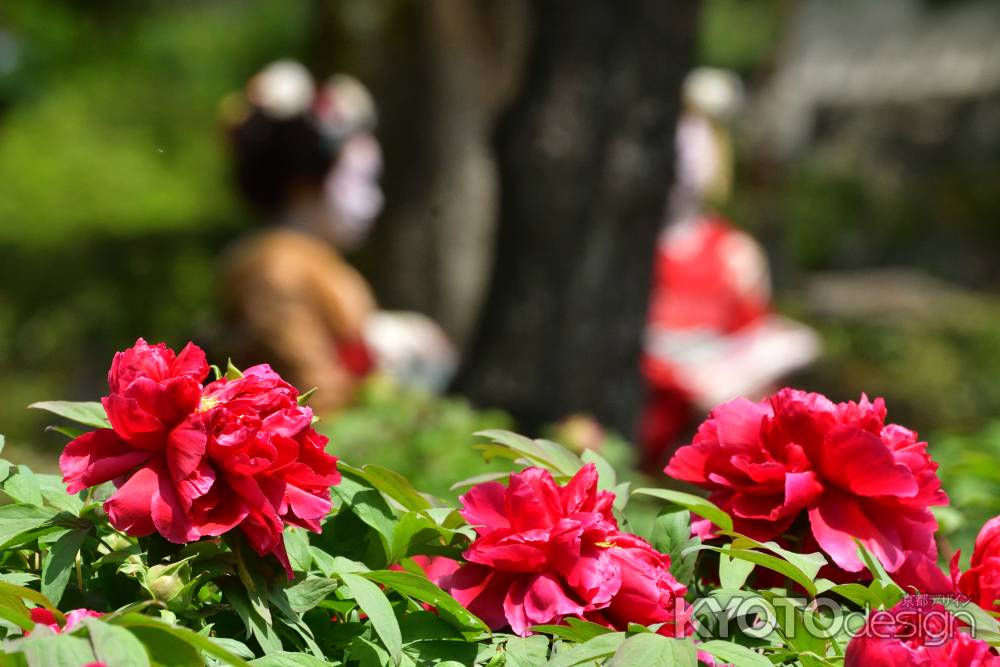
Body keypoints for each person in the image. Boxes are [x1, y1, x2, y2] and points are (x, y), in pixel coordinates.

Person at [220, 60, 454, 412]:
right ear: (306, 181)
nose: (373, 199)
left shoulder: (307, 259)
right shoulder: (276, 269)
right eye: (361, 180)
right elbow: (310, 394)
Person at [640, 68, 820, 470]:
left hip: (713, 400)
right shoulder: (632, 252)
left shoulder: (736, 252)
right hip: (651, 404)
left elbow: (751, 327)